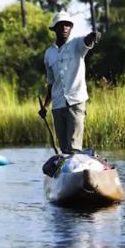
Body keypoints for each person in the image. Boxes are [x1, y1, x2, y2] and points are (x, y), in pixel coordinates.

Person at [38, 11, 101, 154]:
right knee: (64, 149)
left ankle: (78, 172)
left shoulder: (77, 44)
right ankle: (66, 173)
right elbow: (51, 82)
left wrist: (93, 36)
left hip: (76, 102)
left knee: (74, 148)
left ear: (71, 28)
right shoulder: (49, 54)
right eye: (61, 25)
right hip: (58, 105)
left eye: (68, 25)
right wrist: (45, 107)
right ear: (54, 29)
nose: (65, 28)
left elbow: (88, 40)